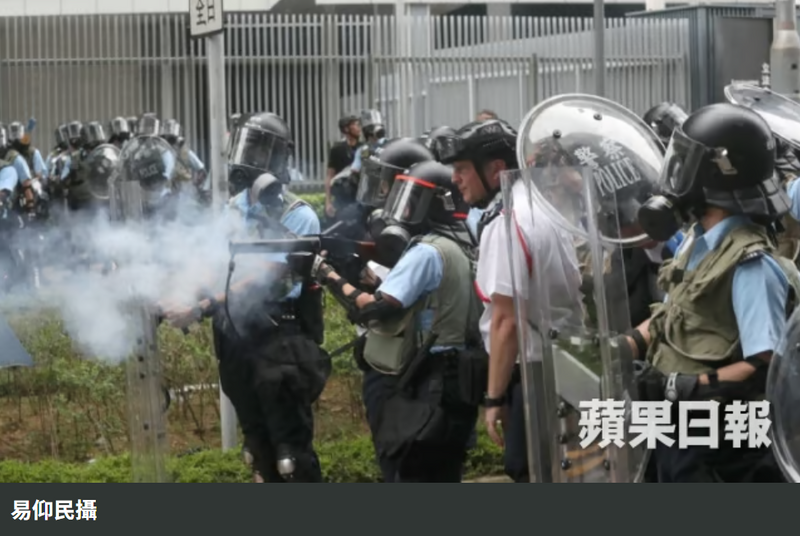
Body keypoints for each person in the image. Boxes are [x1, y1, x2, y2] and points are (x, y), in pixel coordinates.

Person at [632, 102, 800, 482]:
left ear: (716, 174)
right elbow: (674, 314)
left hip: (719, 445)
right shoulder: (698, 241)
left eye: (684, 162)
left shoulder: (750, 266)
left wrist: (683, 386)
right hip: (679, 427)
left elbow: (765, 367)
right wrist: (625, 344)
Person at [162, 111, 331, 483]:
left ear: (277, 157)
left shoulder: (297, 215)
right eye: (244, 147)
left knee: (291, 456)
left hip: (280, 343)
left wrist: (202, 306)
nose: (246, 159)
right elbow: (216, 263)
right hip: (237, 341)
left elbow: (265, 278)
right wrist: (180, 293)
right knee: (257, 451)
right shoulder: (234, 207)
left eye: (257, 150)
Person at [306, 160, 482, 482]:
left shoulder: (426, 252)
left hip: (426, 380)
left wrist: (326, 273)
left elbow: (372, 309)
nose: (404, 210)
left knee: (407, 470)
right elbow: (424, 301)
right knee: (443, 472)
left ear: (433, 205)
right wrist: (369, 279)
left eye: (412, 200)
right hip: (457, 376)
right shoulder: (461, 244)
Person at [438, 118, 585, 482]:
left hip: (533, 373)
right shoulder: (542, 209)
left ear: (496, 169)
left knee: (529, 469)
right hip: (566, 365)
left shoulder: (508, 223)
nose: (455, 179)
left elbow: (506, 322)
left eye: (462, 169)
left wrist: (494, 397)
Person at [325, 114, 361, 218]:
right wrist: (328, 202)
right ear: (346, 129)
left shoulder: (363, 147)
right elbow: (330, 176)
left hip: (359, 197)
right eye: (356, 125)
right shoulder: (337, 149)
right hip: (342, 198)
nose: (359, 128)